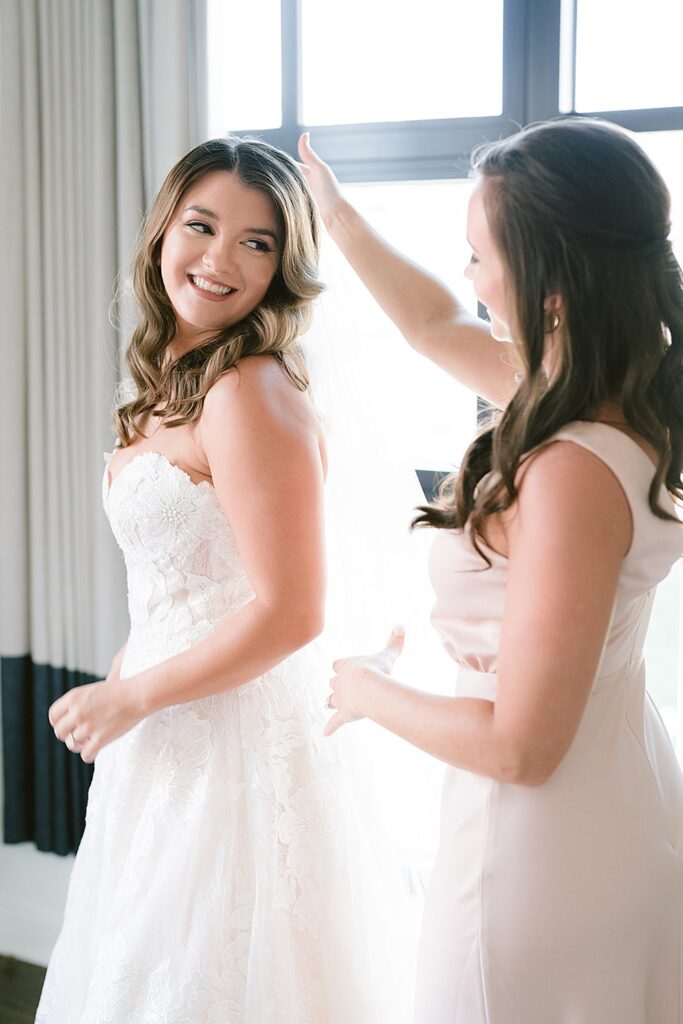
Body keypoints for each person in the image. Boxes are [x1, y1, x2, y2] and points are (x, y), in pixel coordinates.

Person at [299, 118, 683, 1023]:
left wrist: (361, 692)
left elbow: (521, 747)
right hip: (618, 798)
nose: (466, 280)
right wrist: (339, 215)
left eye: (476, 256)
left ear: (551, 285)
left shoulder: (571, 470)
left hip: (539, 853)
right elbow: (430, 324)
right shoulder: (618, 398)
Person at [37, 136, 405, 1024]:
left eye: (257, 241)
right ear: (163, 228)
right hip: (166, 730)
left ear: (284, 266)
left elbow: (291, 611)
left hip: (231, 743)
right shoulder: (181, 380)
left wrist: (132, 698)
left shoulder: (247, 390)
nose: (218, 258)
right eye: (201, 226)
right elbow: (189, 578)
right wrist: (129, 674)